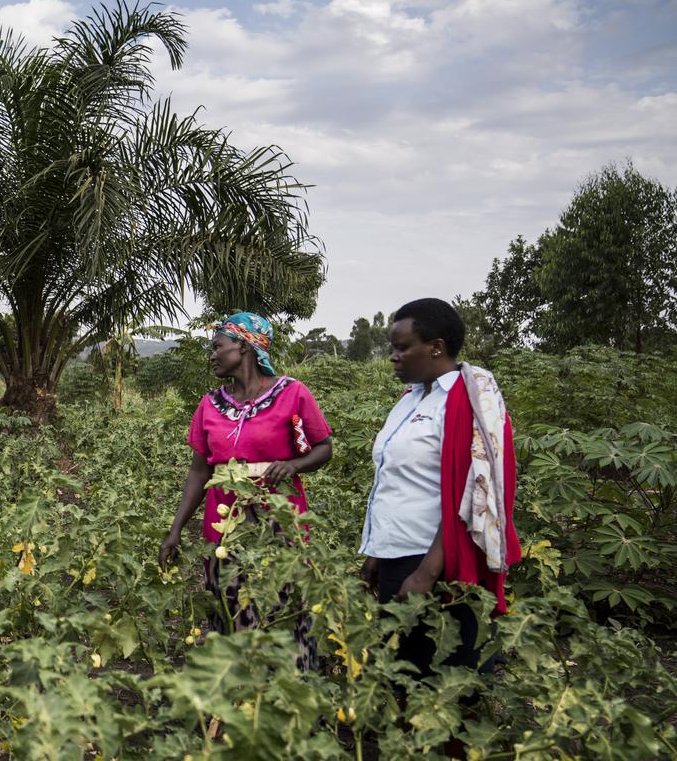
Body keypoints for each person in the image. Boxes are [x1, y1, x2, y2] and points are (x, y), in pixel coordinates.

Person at [358, 298, 521, 750]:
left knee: (448, 675)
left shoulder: (469, 402)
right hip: (398, 555)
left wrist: (428, 570)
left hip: (439, 565)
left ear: (436, 347)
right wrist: (377, 554)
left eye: (401, 347)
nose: (393, 356)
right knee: (406, 672)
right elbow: (398, 481)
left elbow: (476, 493)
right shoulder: (411, 399)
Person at [158, 312, 334, 645]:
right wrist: (176, 529)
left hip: (279, 519)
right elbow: (199, 472)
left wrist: (293, 466)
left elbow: (324, 448)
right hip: (224, 523)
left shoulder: (293, 393)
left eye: (217, 346)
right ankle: (236, 687)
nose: (212, 355)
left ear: (243, 346)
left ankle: (286, 686)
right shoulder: (209, 404)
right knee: (230, 600)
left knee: (281, 599)